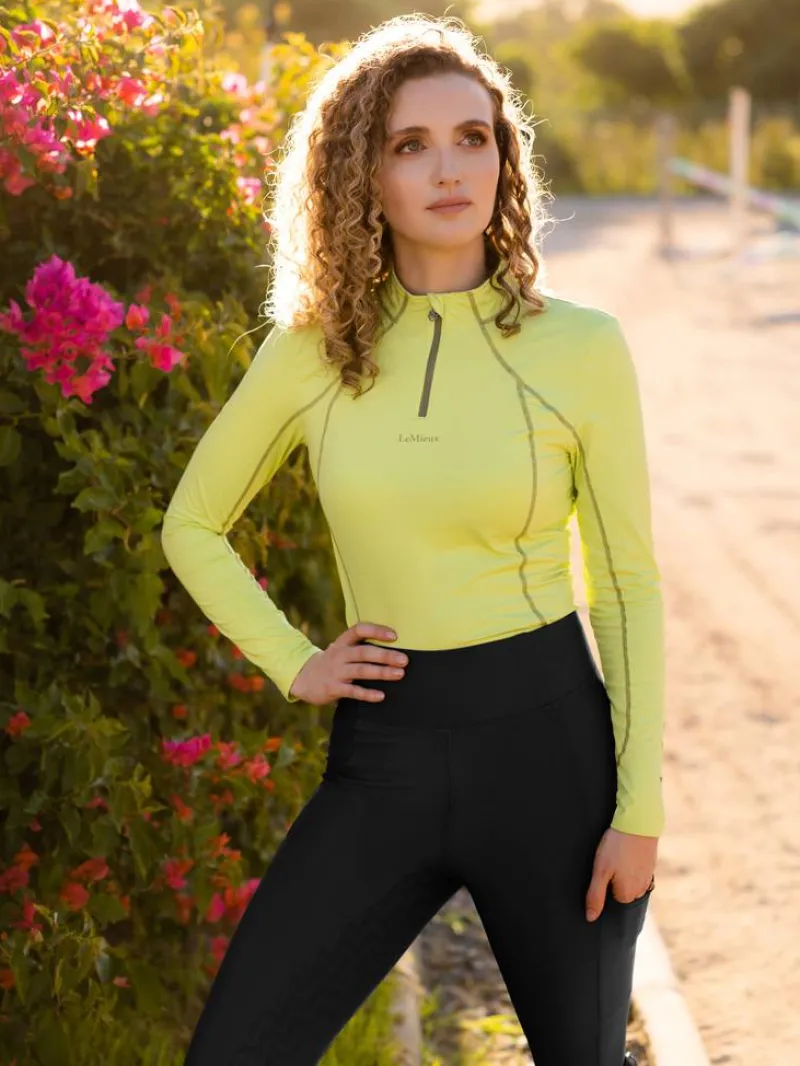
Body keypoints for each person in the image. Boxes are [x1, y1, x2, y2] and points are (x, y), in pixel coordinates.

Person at [160, 14, 663, 1066]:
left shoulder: (579, 347)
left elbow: (625, 586)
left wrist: (639, 812)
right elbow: (192, 524)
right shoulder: (313, 351)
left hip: (549, 753)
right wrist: (295, 662)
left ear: (503, 157)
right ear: (364, 177)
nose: (449, 169)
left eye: (473, 138)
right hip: (384, 752)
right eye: (410, 144)